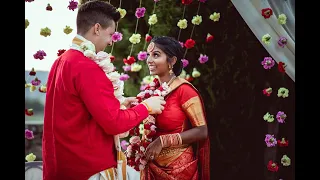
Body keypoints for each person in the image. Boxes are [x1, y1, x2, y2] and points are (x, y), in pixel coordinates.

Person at [42, 1, 165, 180]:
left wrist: (121, 103)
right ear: (97, 28)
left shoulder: (61, 61)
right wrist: (146, 107)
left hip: (60, 166)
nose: (110, 41)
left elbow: (74, 109)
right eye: (110, 34)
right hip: (87, 169)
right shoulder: (87, 66)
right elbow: (114, 123)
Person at [141, 36, 210, 180]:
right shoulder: (152, 90)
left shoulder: (185, 91)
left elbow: (202, 131)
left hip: (179, 168)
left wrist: (163, 141)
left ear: (172, 61)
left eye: (156, 55)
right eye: (149, 55)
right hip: (152, 166)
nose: (149, 60)